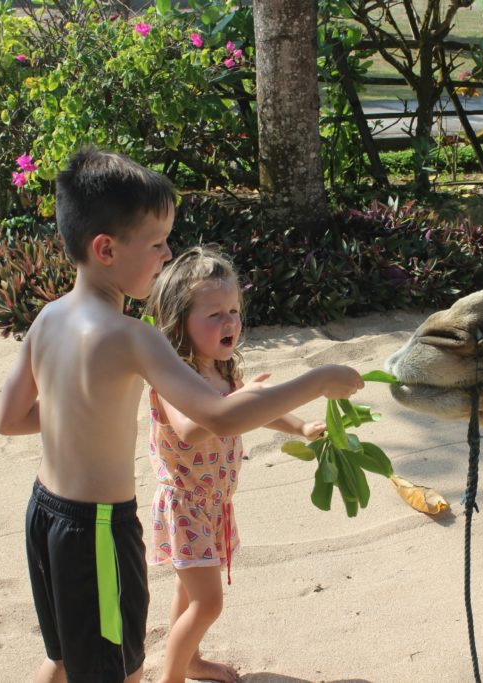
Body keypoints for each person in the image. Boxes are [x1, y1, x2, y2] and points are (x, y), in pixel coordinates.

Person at [0, 147, 363, 683]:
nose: (167, 255)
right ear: (106, 249)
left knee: (62, 656)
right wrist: (319, 380)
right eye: (157, 243)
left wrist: (81, 410)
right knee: (120, 670)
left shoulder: (49, 318)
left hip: (44, 513)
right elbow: (219, 417)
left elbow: (9, 417)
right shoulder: (133, 337)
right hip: (96, 528)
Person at [142, 246, 326, 683]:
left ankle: (190, 659)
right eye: (214, 314)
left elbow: (256, 408)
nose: (229, 323)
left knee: (188, 591)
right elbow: (190, 429)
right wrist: (237, 400)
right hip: (185, 504)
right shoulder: (174, 375)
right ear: (179, 322)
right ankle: (172, 679)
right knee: (208, 603)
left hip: (215, 503)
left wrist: (299, 427)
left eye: (234, 311)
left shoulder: (223, 372)